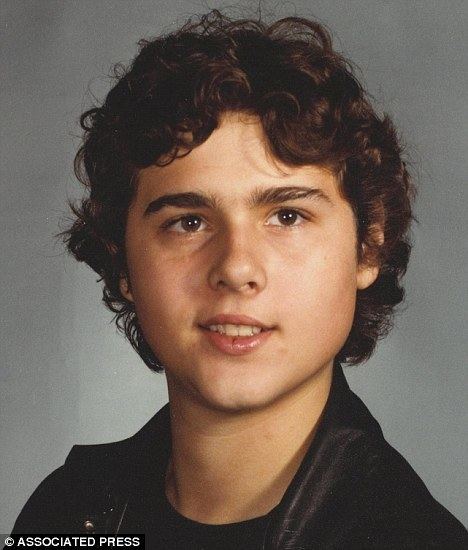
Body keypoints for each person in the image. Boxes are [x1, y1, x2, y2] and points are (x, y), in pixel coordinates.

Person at [10, 10, 467, 549]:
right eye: (189, 222)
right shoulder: (65, 514)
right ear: (121, 261)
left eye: (288, 217)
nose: (236, 268)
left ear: (367, 248)